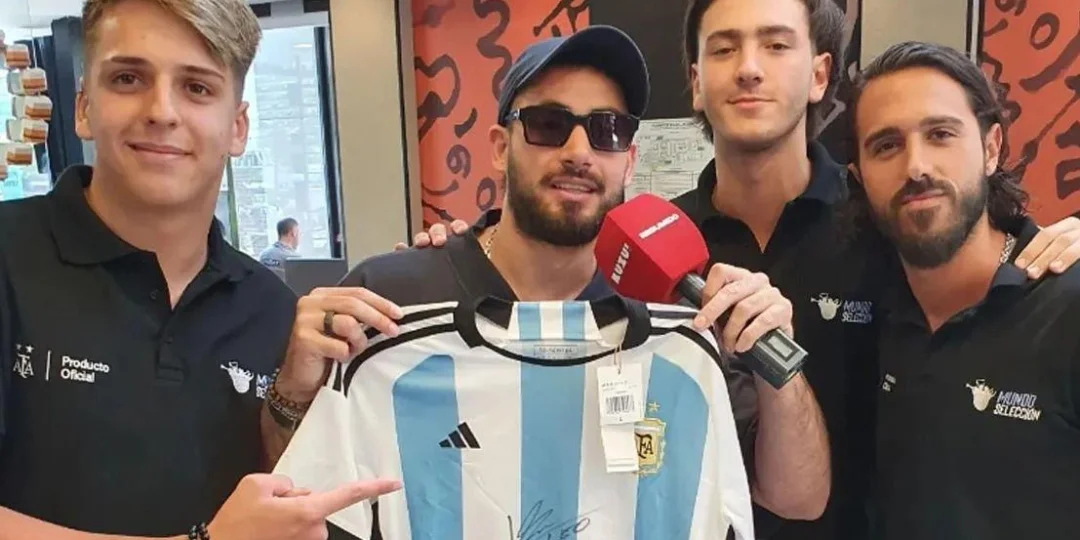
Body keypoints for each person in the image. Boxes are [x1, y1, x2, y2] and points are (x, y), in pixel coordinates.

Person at [407, 0, 1080, 538]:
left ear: (819, 75)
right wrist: (459, 246)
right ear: (696, 84)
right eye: (725, 48)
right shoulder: (644, 249)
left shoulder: (883, 221)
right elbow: (541, 268)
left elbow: (979, 248)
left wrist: (1065, 241)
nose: (749, 69)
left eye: (776, 45)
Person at [272, 23, 831, 535]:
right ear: (500, 148)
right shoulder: (388, 298)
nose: (579, 152)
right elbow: (302, 497)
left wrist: (775, 366)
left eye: (607, 130)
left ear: (629, 160)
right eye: (548, 125)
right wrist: (293, 391)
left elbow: (798, 499)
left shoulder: (682, 319)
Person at [0, 0, 397, 539]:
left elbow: (284, 506)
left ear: (237, 127)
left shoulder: (274, 312)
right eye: (128, 78)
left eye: (197, 88)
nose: (161, 111)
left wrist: (290, 400)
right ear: (84, 108)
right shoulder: (11, 257)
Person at [848, 41, 1080, 540]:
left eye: (941, 134)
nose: (916, 167)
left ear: (991, 148)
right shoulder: (873, 313)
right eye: (886, 145)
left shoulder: (1066, 308)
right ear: (859, 176)